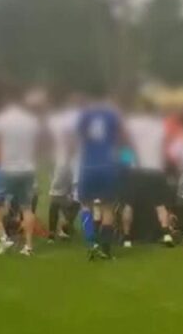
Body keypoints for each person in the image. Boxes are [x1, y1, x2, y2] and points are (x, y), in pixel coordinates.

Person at [0, 92, 45, 256]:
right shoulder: (31, 121)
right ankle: (29, 247)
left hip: (9, 169)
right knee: (26, 207)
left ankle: (4, 238)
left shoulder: (2, 119)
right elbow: (39, 143)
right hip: (28, 169)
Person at [75, 94, 126, 260]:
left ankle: (91, 245)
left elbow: (78, 138)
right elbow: (121, 138)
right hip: (107, 165)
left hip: (88, 165)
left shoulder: (84, 114)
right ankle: (105, 250)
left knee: (85, 206)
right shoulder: (112, 114)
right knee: (107, 208)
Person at [122, 99, 176, 247]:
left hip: (136, 169)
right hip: (155, 168)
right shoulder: (159, 126)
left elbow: (125, 144)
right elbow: (165, 145)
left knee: (129, 204)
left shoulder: (132, 123)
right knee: (160, 204)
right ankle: (166, 234)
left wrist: (126, 161)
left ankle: (127, 237)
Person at [46, 94, 82, 242]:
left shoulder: (57, 119)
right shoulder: (77, 118)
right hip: (73, 162)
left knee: (56, 197)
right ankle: (64, 227)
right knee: (77, 197)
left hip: (64, 160)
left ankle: (54, 232)